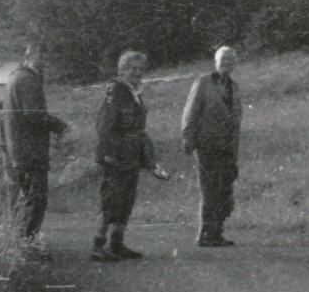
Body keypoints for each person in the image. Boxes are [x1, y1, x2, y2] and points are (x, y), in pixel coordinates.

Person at [92, 50, 169, 262]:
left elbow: (139, 130)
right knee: (110, 201)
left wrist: (150, 161)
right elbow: (104, 126)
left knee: (125, 201)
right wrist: (108, 153)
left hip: (131, 156)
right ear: (122, 69)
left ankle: (117, 244)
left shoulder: (134, 92)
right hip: (115, 157)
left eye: (141, 69)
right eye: (133, 69)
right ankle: (98, 246)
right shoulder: (116, 91)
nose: (138, 73)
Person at [0, 41, 69, 258]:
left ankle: (21, 245)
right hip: (30, 150)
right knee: (36, 199)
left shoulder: (14, 77)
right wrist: (60, 126)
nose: (45, 62)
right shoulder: (28, 80)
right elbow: (34, 114)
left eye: (46, 58)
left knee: (27, 198)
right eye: (41, 57)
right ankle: (26, 248)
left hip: (18, 149)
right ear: (30, 57)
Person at [181, 46, 243, 248]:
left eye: (231, 60)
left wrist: (234, 149)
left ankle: (217, 233)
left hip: (227, 147)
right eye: (223, 59)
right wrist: (188, 137)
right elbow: (191, 111)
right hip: (207, 144)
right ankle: (204, 234)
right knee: (210, 190)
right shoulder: (203, 82)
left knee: (225, 189)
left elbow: (236, 120)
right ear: (215, 62)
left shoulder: (234, 87)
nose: (227, 63)